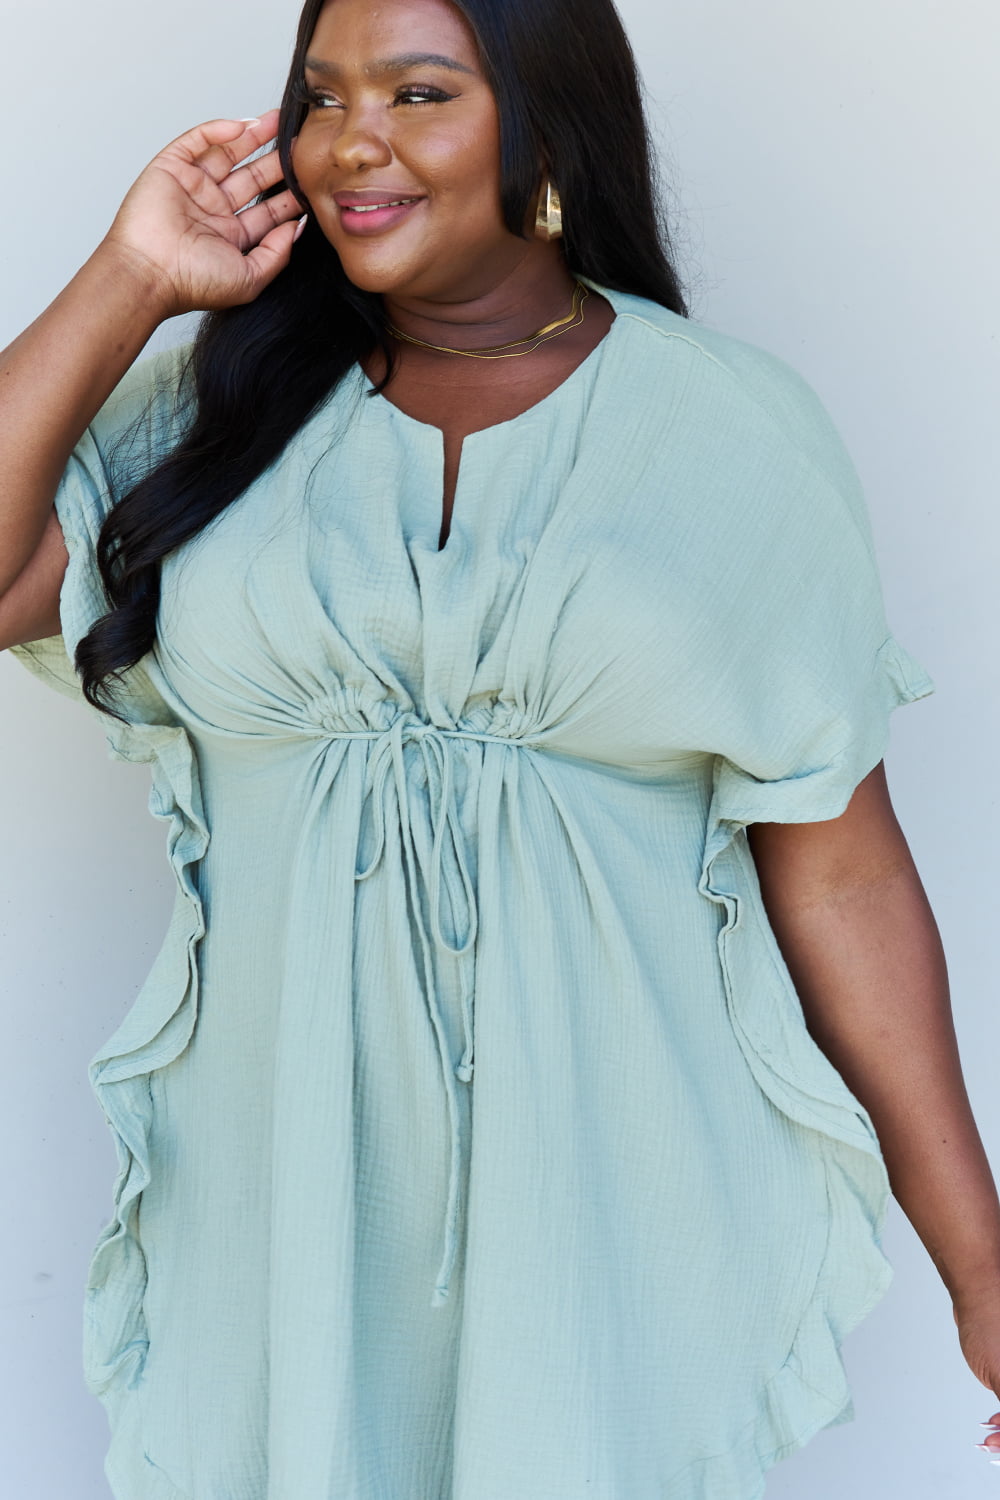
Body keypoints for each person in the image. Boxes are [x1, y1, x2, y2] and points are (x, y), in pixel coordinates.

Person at [2, 0, 999, 1494]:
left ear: (546, 127)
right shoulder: (215, 413)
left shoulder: (732, 432)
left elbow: (842, 871)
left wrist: (982, 1273)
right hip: (281, 1212)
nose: (353, 143)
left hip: (616, 1223)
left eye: (419, 93)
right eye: (321, 97)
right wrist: (132, 278)